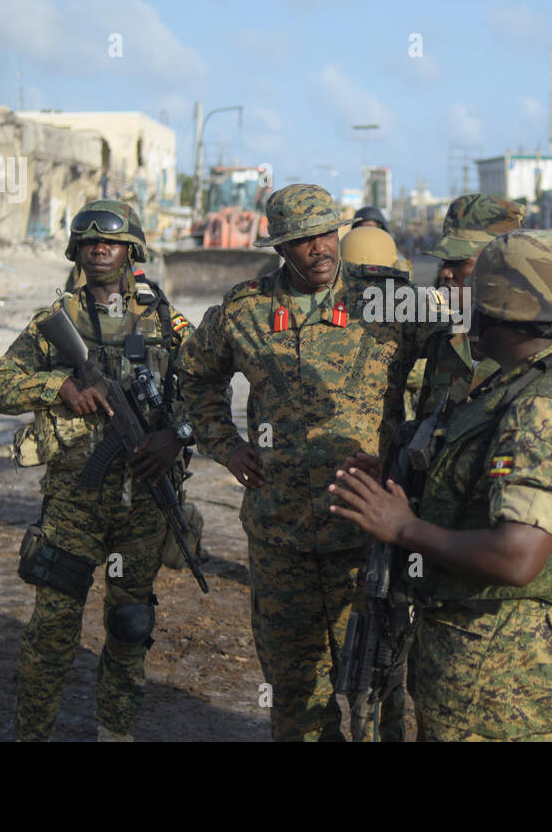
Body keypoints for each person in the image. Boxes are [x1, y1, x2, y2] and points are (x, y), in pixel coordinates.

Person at [328, 230, 552, 741]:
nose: (464, 307)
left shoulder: (543, 407)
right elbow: (479, 483)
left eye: (476, 298)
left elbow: (516, 556)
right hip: (481, 665)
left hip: (502, 679)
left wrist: (404, 528)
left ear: (501, 310)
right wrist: (405, 478)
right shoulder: (527, 378)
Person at [175, 184, 426, 741]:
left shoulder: (387, 300)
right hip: (280, 536)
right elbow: (194, 375)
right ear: (280, 249)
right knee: (294, 691)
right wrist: (225, 444)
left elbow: (466, 342)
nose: (320, 248)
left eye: (327, 234)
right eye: (303, 240)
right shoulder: (245, 310)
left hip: (366, 537)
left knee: (377, 686)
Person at [0, 199, 196, 742]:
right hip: (74, 504)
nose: (101, 248)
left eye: (113, 241)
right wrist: (59, 386)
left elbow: (208, 391)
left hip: (145, 504)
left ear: (132, 251)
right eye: (91, 241)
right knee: (52, 629)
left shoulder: (168, 324)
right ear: (77, 251)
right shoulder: (55, 322)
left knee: (130, 628)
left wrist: (177, 437)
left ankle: (115, 733)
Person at [415, 194, 524, 420]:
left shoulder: (533, 351)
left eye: (459, 263)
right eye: (445, 262)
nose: (445, 273)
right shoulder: (447, 338)